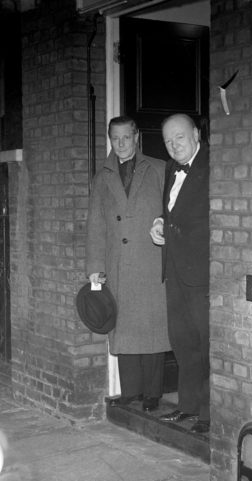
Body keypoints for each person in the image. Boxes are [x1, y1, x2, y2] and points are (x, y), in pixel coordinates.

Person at [86, 115, 170, 412]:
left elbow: (173, 214)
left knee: (152, 329)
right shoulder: (102, 177)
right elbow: (96, 224)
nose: (121, 144)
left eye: (126, 137)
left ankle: (153, 393)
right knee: (122, 328)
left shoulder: (159, 169)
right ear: (110, 139)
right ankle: (131, 391)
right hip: (118, 264)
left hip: (150, 262)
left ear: (137, 138)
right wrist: (95, 267)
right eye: (115, 138)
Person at [149, 114, 210, 434]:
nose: (174, 146)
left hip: (201, 271)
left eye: (180, 138)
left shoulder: (214, 166)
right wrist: (160, 222)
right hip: (174, 269)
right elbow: (171, 210)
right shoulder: (171, 168)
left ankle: (209, 415)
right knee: (183, 343)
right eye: (168, 141)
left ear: (196, 134)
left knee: (207, 343)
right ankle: (187, 407)